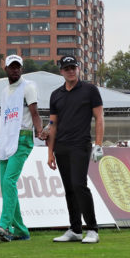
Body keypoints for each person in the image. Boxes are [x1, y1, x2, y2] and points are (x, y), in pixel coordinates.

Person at [46, 55, 104, 244]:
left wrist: (99, 144)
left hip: (81, 145)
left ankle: (93, 229)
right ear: (61, 71)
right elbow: (53, 125)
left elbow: (99, 118)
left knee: (79, 185)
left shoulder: (90, 90)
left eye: (73, 67)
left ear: (78, 69)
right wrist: (50, 153)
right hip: (61, 146)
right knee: (69, 189)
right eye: (67, 68)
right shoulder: (56, 95)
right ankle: (75, 229)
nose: (71, 71)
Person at [0, 54, 44, 242]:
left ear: (22, 68)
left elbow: (35, 112)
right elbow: (4, 121)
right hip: (6, 139)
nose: (15, 70)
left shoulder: (28, 87)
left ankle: (4, 225)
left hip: (23, 138)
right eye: (12, 67)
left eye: (18, 67)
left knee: (9, 181)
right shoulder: (5, 92)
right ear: (6, 69)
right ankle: (20, 230)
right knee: (6, 184)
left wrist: (39, 131)